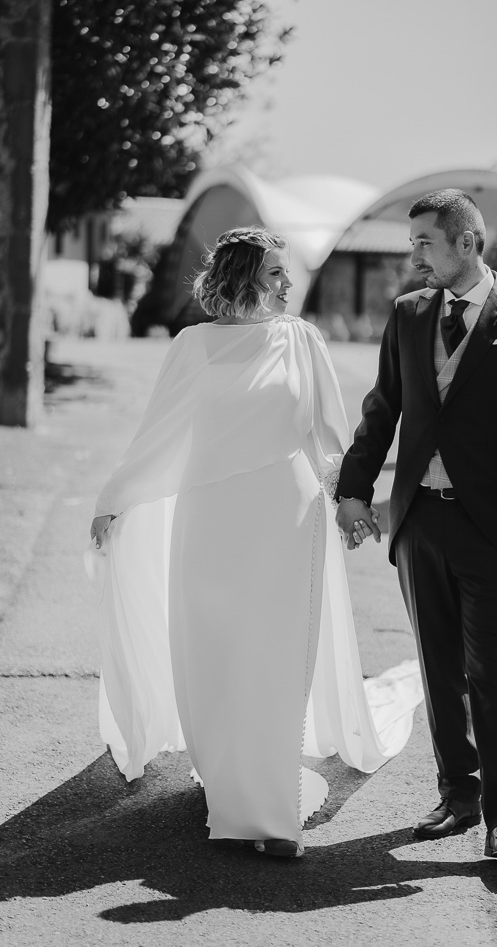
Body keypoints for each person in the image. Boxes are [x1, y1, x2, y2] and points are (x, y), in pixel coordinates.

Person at [86, 227, 422, 859]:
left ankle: (267, 814)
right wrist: (113, 501)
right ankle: (226, 780)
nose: (287, 284)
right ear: (240, 277)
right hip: (209, 520)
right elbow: (157, 436)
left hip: (285, 520)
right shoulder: (191, 346)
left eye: (285, 273)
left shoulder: (301, 341)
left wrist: (349, 501)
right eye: (274, 273)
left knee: (271, 656)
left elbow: (328, 434)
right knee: (210, 649)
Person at [335, 190, 497, 862]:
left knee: (491, 669)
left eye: (424, 243)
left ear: (466, 243)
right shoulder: (408, 315)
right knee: (438, 670)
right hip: (418, 523)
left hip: (490, 529)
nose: (415, 257)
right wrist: (353, 492)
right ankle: (458, 797)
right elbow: (382, 411)